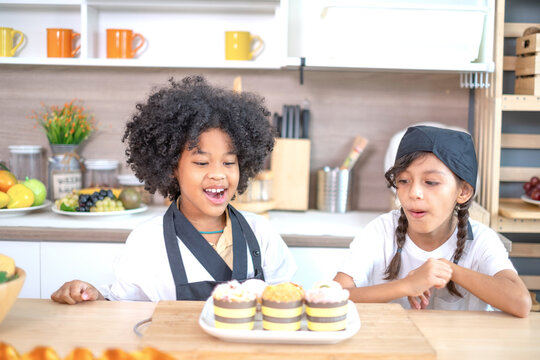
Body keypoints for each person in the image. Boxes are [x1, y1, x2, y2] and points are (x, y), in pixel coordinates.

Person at [51, 76, 296, 303]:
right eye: (201, 162)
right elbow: (121, 304)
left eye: (229, 162)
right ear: (171, 168)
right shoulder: (148, 240)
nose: (218, 174)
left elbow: (284, 301)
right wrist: (92, 294)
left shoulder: (260, 234)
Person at [334, 125, 531, 317]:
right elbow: (334, 297)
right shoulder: (381, 231)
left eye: (431, 182)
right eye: (403, 181)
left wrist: (448, 269)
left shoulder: (480, 240)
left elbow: (520, 303)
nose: (414, 193)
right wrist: (406, 286)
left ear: (463, 191)